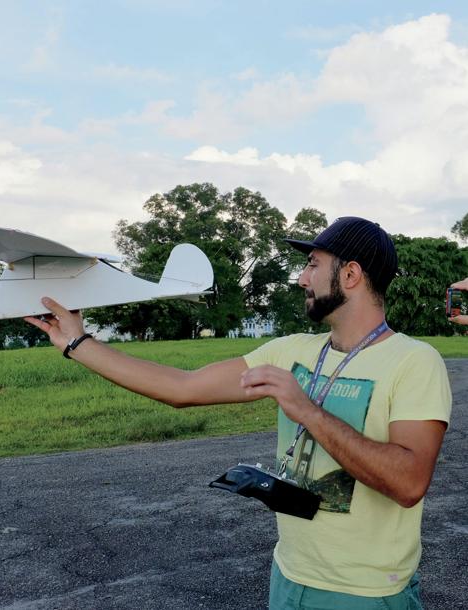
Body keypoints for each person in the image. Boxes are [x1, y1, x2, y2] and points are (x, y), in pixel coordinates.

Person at [25, 216, 451, 610]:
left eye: (313, 264)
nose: (302, 278)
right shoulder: (292, 351)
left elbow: (409, 481)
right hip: (288, 578)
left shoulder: (414, 361)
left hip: (366, 594)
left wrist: (306, 409)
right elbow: (183, 388)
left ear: (351, 274)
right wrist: (78, 345)